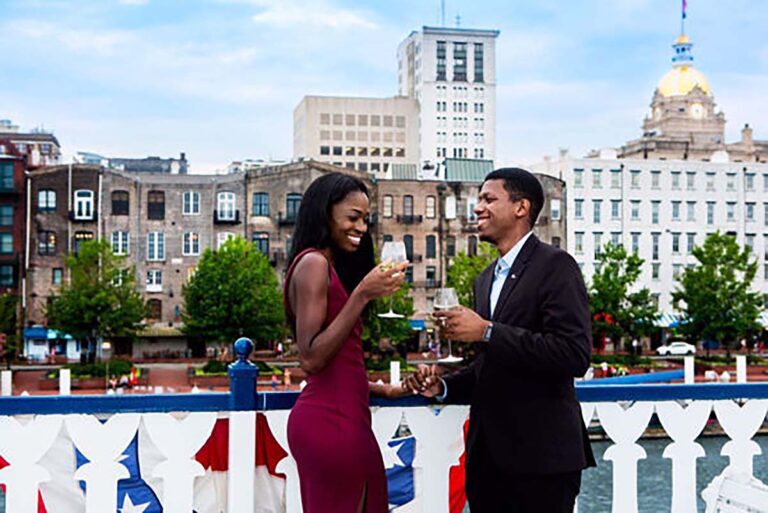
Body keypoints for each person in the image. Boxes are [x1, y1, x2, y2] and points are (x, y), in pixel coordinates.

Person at [405, 167, 595, 513]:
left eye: (489, 199)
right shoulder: (484, 279)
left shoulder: (557, 266)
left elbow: (574, 354)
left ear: (521, 208)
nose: (478, 208)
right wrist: (444, 387)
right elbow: (489, 367)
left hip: (542, 461)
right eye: (479, 199)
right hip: (487, 461)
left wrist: (487, 331)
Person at [283, 172, 410, 513]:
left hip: (347, 418)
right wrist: (362, 295)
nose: (361, 228)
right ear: (325, 214)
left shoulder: (327, 266)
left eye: (366, 219)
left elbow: (339, 363)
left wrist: (379, 389)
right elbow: (310, 358)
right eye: (353, 218)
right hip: (329, 424)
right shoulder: (313, 263)